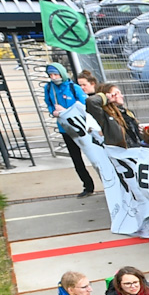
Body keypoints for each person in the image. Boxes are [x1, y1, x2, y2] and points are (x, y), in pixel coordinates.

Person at [43, 64, 96, 197]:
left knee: (94, 156)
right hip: (65, 129)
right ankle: (88, 186)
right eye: (51, 75)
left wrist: (66, 111)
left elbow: (84, 105)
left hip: (81, 128)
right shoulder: (49, 88)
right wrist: (53, 111)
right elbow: (48, 103)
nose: (54, 78)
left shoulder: (73, 87)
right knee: (76, 159)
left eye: (56, 74)